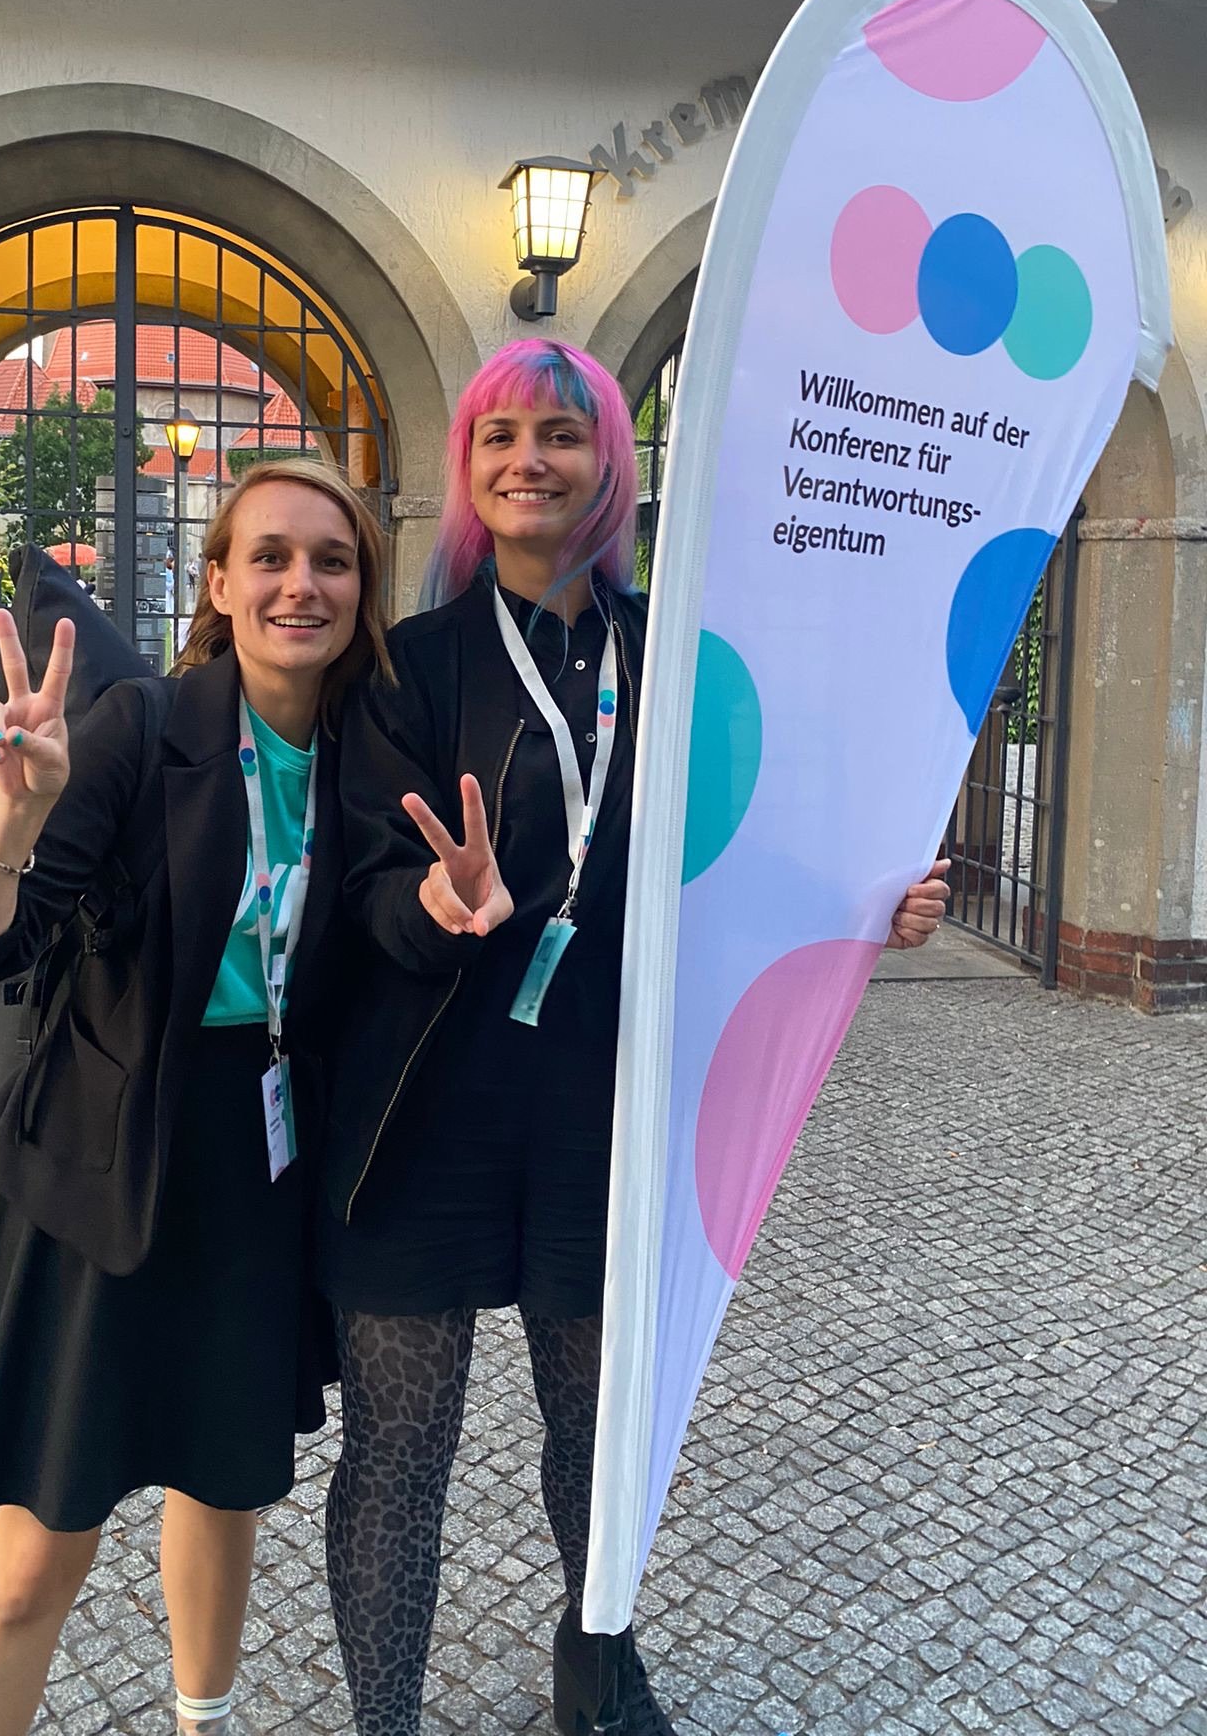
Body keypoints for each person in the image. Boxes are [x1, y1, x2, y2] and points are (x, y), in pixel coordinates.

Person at [318, 340, 949, 1736]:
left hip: (607, 1113)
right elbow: (361, 884)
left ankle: (597, 1661)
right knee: (399, 1454)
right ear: (468, 468)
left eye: (561, 432)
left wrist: (870, 900)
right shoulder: (410, 664)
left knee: (597, 1438)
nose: (528, 459)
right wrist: (432, 905)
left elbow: (758, 832)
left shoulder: (676, 657)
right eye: (500, 436)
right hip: (419, 1115)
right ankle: (383, 1720)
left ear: (611, 461)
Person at [0, 460, 390, 1736]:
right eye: (270, 555)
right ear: (219, 583)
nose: (301, 583)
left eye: (332, 559)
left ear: (362, 588)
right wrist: (13, 816)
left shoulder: (366, 756)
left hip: (259, 1167)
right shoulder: (141, 726)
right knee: (39, 1550)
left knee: (222, 1487)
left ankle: (202, 1719)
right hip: (107, 1166)